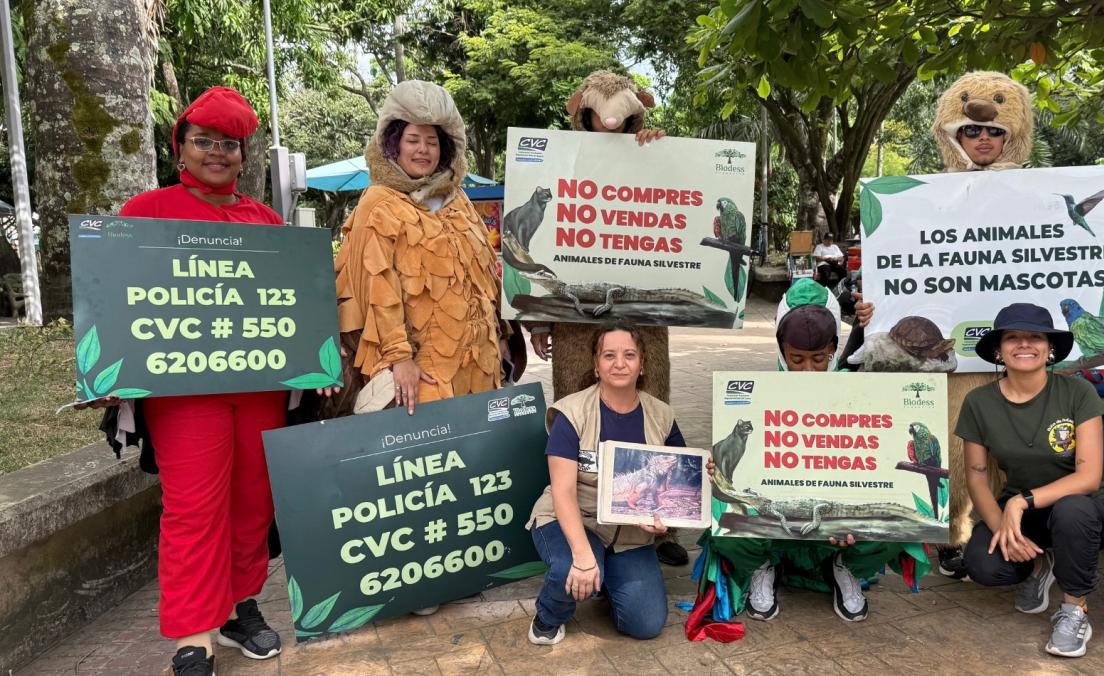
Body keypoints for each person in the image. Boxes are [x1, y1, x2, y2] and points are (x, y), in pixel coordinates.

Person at [849, 71, 1104, 581]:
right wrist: (871, 312)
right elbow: (905, 274)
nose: (983, 137)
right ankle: (954, 536)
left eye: (993, 131)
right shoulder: (919, 201)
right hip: (954, 365)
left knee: (1028, 449)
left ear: (1014, 132)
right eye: (969, 130)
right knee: (953, 447)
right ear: (951, 134)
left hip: (1026, 357)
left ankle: (1047, 534)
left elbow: (1082, 258)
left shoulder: (1041, 194)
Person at [105, 86, 287, 676]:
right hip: (183, 396)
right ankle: (192, 634)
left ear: (243, 154)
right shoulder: (144, 213)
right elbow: (114, 301)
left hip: (259, 390)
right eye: (203, 141)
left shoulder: (265, 221)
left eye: (228, 144)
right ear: (180, 145)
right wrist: (108, 365)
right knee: (193, 508)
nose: (217, 153)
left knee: (253, 503)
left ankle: (239, 607)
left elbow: (293, 303)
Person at [330, 80, 506, 614]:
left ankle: (460, 564)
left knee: (466, 467)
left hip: (474, 362)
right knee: (420, 471)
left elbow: (485, 277)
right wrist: (397, 358)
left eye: (432, 140)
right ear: (392, 143)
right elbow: (377, 291)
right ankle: (423, 577)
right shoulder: (378, 203)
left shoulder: (456, 203)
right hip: (421, 369)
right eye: (412, 139)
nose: (423, 149)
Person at [690, 281, 930, 637]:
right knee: (724, 527)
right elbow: (736, 469)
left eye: (819, 359)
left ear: (833, 349)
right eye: (796, 359)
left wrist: (869, 322)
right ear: (781, 351)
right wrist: (717, 470)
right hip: (779, 527)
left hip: (834, 525)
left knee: (897, 529)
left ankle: (842, 566)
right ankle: (762, 567)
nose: (807, 370)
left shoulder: (861, 390)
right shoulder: (759, 398)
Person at [524, 70, 689, 568]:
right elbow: (544, 237)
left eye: (618, 110)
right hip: (576, 316)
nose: (609, 119)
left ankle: (659, 530)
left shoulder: (646, 149)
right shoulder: (561, 158)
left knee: (648, 397)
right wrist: (537, 320)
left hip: (640, 313)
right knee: (581, 403)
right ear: (585, 111)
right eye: (597, 110)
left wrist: (656, 150)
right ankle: (577, 521)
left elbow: (680, 194)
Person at [956, 303, 1104, 658]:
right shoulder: (978, 401)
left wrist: (1021, 501)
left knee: (1072, 512)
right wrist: (1002, 528)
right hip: (1026, 515)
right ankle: (1039, 564)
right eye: (1013, 338)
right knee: (984, 565)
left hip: (1085, 510)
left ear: (1049, 348)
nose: (1024, 344)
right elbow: (976, 476)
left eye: (1035, 337)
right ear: (998, 350)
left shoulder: (1078, 394)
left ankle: (1073, 609)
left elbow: (1088, 476)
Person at [524, 323, 681, 644]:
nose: (619, 363)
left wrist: (699, 477)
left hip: (630, 534)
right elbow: (563, 492)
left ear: (642, 364)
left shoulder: (661, 415)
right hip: (573, 520)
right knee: (574, 567)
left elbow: (678, 478)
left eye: (629, 355)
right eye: (609, 355)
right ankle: (548, 616)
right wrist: (582, 556)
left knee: (647, 624)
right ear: (596, 365)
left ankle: (606, 578)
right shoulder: (571, 413)